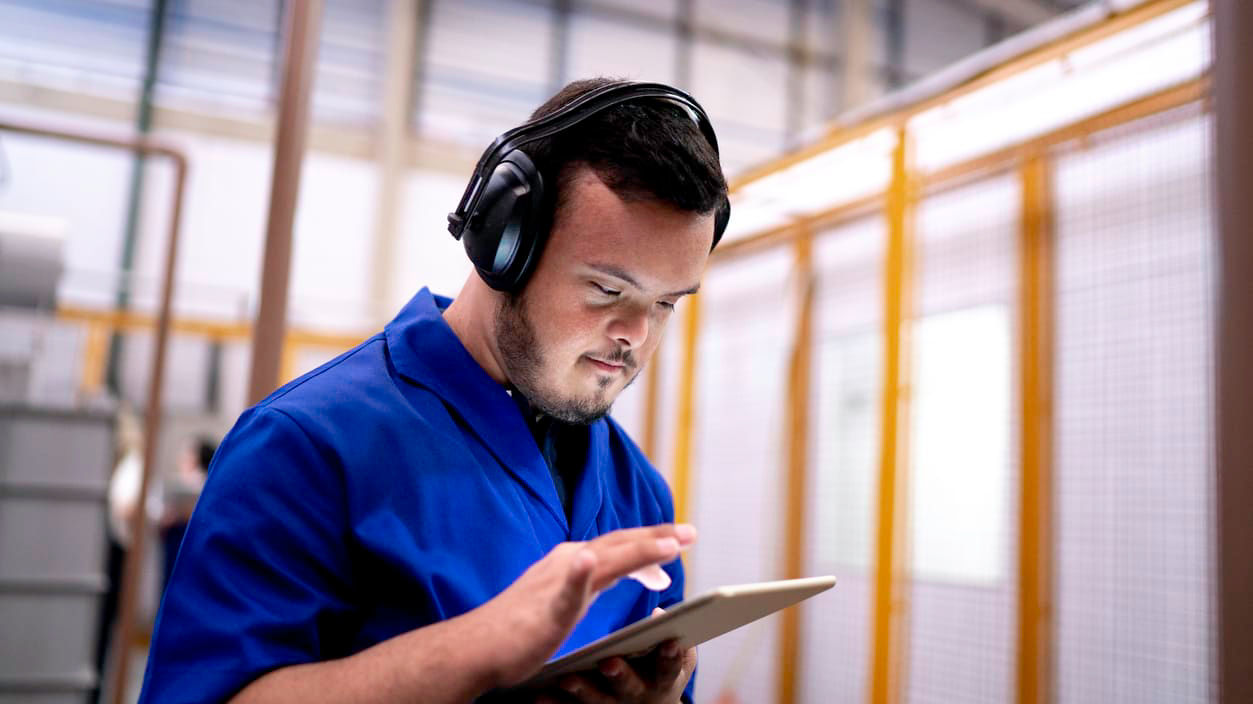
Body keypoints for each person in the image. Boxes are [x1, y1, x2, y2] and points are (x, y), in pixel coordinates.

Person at [138, 78, 730, 704]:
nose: (636, 335)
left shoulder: (636, 490)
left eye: (666, 303)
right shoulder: (306, 448)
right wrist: (473, 650)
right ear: (505, 243)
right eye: (607, 290)